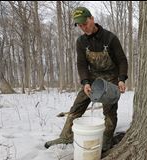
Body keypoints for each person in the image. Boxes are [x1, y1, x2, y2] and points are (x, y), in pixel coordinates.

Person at [45, 7, 128, 152]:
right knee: (77, 106)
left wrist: (121, 79)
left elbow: (122, 60)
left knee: (109, 111)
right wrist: (85, 82)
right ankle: (66, 136)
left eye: (85, 23)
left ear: (92, 19)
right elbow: (82, 64)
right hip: (93, 78)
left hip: (111, 78)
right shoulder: (81, 42)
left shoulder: (110, 38)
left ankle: (106, 140)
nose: (84, 28)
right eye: (80, 25)